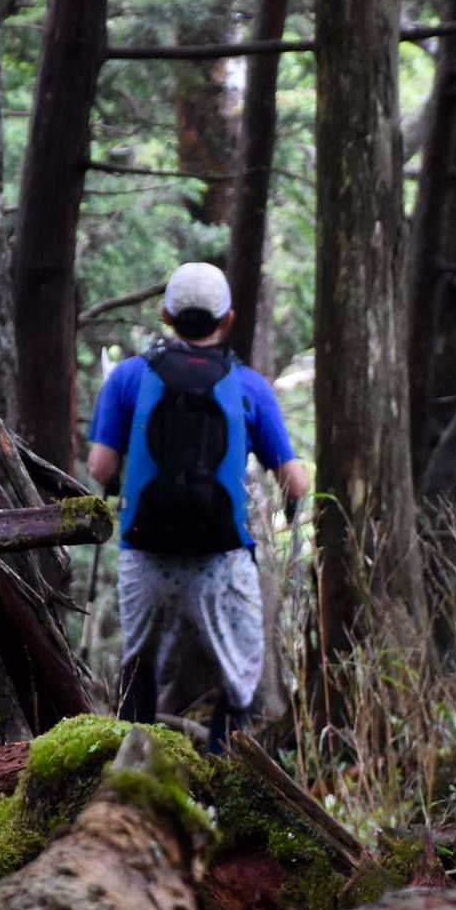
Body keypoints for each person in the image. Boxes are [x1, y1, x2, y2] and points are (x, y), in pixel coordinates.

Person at [85, 261, 308, 754]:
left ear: (166, 315)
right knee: (241, 676)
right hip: (221, 559)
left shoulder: (127, 378)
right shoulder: (249, 387)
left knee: (137, 661)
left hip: (144, 551)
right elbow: (295, 480)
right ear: (226, 320)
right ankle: (222, 773)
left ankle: (129, 767)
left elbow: (100, 468)